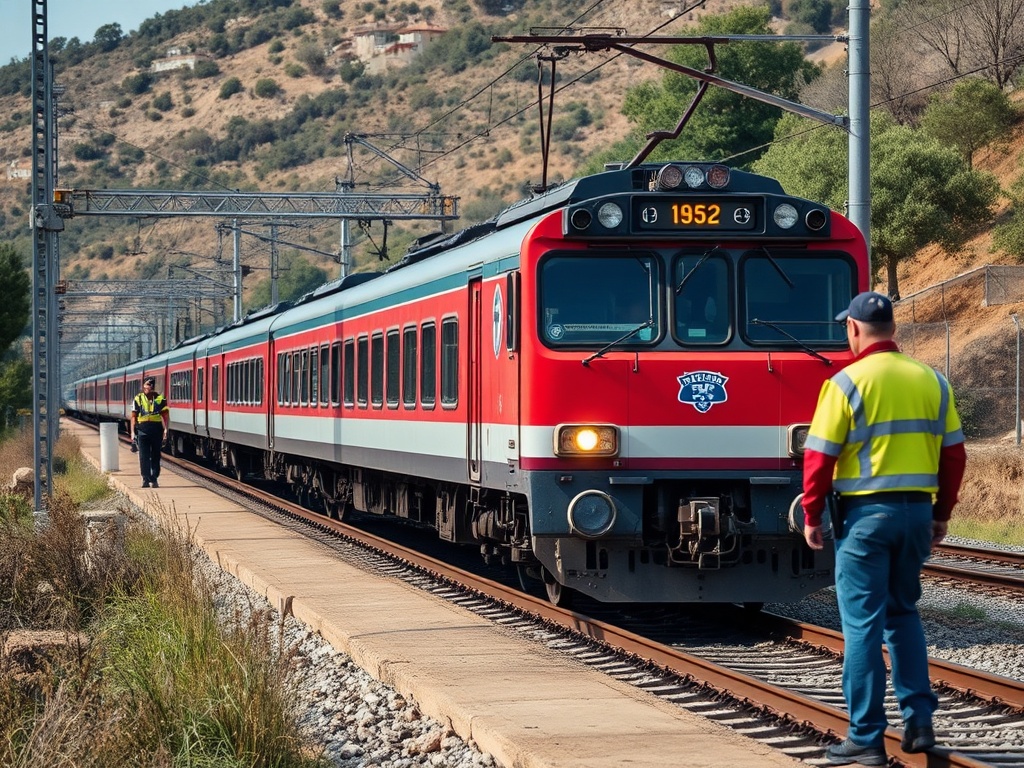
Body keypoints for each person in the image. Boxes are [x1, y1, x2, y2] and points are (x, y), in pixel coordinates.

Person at [801, 291, 967, 766]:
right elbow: (954, 455)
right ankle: (919, 722)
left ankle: (866, 738)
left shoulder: (845, 382)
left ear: (853, 329)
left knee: (862, 627)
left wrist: (812, 515)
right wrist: (941, 513)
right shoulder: (933, 381)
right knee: (903, 613)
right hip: (916, 514)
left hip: (865, 518)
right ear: (892, 328)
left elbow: (819, 459)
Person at [130, 376, 169, 488]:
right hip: (142, 430)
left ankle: (154, 478)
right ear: (144, 386)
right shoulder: (138, 399)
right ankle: (145, 479)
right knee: (143, 456)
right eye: (148, 385)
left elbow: (165, 416)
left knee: (156, 455)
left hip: (156, 430)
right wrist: (133, 432)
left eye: (151, 386)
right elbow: (133, 416)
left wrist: (166, 429)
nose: (149, 388)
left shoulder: (161, 399)